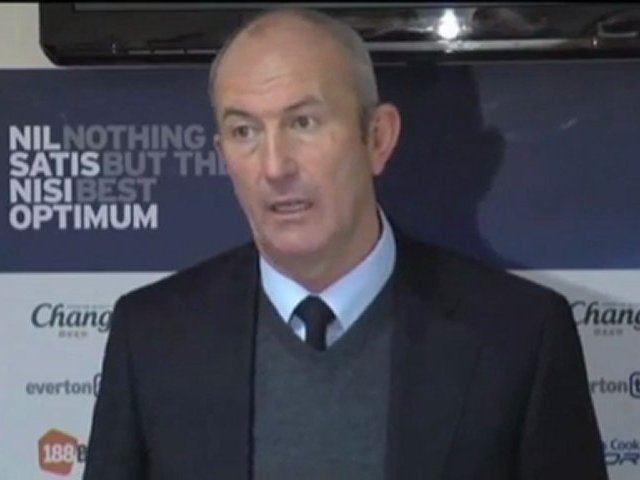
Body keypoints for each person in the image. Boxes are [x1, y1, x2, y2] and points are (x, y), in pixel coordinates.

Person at [83, 8, 608, 480]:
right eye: (245, 132)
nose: (275, 167)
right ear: (223, 156)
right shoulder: (150, 337)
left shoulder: (520, 338)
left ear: (377, 138)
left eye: (304, 123)